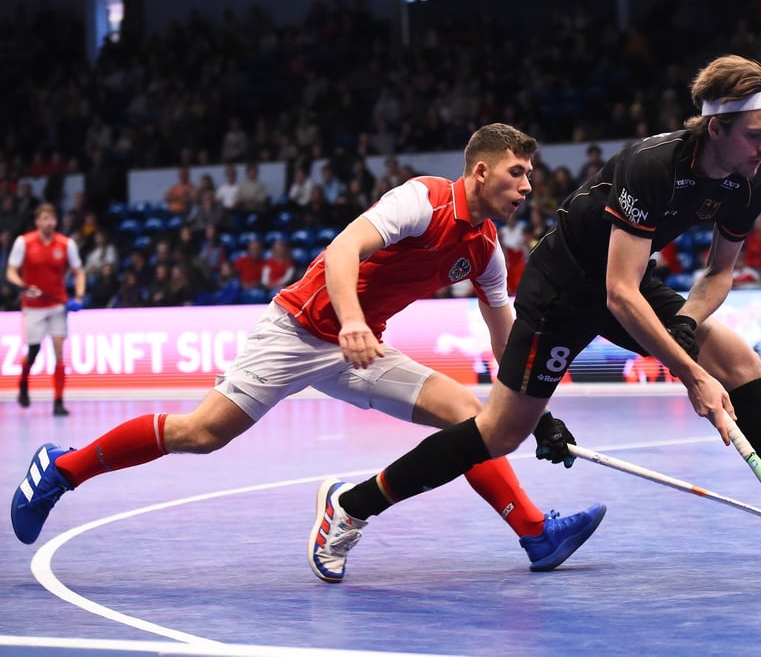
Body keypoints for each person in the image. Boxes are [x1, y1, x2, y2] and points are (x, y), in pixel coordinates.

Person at [305, 55, 761, 578]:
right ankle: (353, 504)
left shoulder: (747, 179)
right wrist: (690, 374)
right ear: (717, 126)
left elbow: (718, 273)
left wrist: (687, 330)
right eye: (756, 134)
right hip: (563, 289)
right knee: (499, 433)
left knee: (735, 359)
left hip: (625, 280)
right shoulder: (650, 167)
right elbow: (619, 294)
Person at [11, 124, 605, 584]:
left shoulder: (486, 251)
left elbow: (508, 341)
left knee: (472, 420)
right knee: (202, 432)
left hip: (360, 348)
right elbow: (345, 249)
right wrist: (349, 320)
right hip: (298, 330)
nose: (528, 186)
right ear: (481, 171)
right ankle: (62, 469)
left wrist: (536, 415)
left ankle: (534, 531)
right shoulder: (422, 200)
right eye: (518, 173)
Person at [5, 203, 86, 416]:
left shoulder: (66, 244)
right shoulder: (24, 242)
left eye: (52, 219)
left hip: (57, 305)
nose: (49, 223)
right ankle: (23, 383)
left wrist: (79, 295)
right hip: (32, 307)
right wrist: (22, 286)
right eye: (45, 219)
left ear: (55, 221)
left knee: (59, 352)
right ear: (37, 221)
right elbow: (11, 271)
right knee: (33, 351)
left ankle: (58, 402)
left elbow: (79, 272)